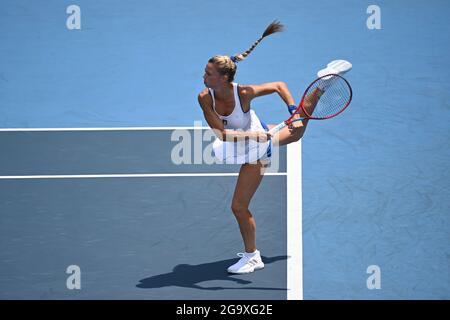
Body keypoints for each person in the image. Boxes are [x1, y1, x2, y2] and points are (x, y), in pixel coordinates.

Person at [197, 21, 351, 274]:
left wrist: (292, 108)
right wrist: (253, 135)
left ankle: (252, 257)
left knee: (238, 206)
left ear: (224, 78)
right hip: (238, 140)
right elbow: (222, 134)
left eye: (208, 73)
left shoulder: (244, 93)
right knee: (296, 132)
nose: (203, 76)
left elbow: (279, 85)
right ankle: (322, 84)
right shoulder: (204, 97)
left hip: (254, 150)